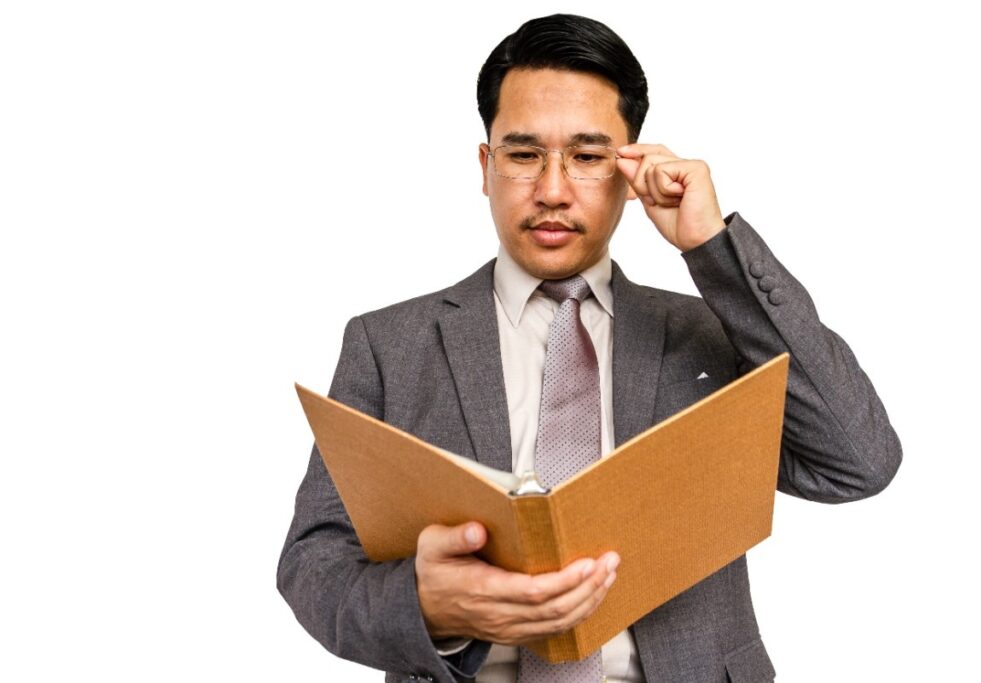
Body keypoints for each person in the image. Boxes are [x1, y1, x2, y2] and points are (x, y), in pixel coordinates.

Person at [277, 13, 901, 683]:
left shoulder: (714, 334)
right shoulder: (388, 344)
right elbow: (314, 566)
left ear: (631, 168)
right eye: (522, 155)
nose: (551, 189)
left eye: (587, 156)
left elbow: (858, 461)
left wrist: (712, 248)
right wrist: (428, 607)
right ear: (486, 167)